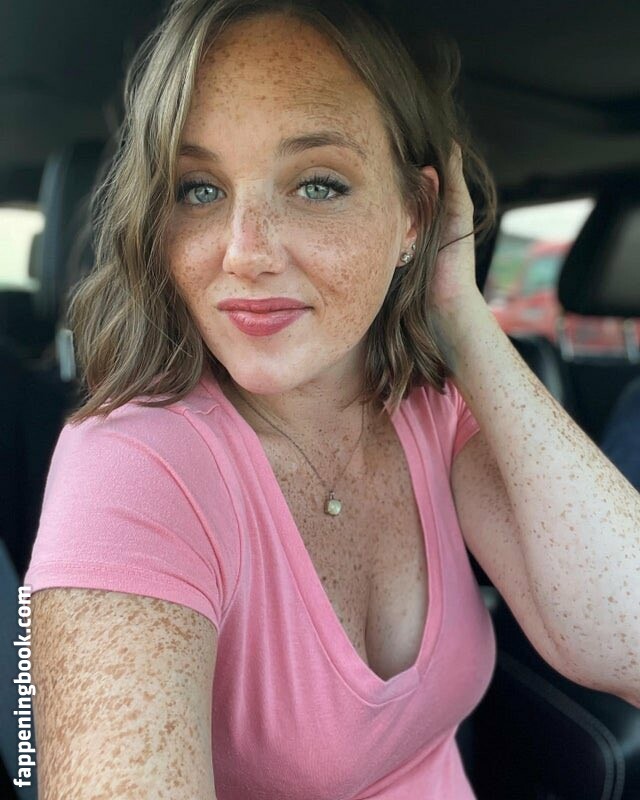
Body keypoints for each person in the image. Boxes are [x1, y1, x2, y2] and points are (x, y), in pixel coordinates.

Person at [24, 0, 640, 797]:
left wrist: (457, 308)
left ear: (415, 216)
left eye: (317, 184)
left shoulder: (432, 409)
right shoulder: (133, 469)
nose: (245, 253)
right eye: (199, 189)